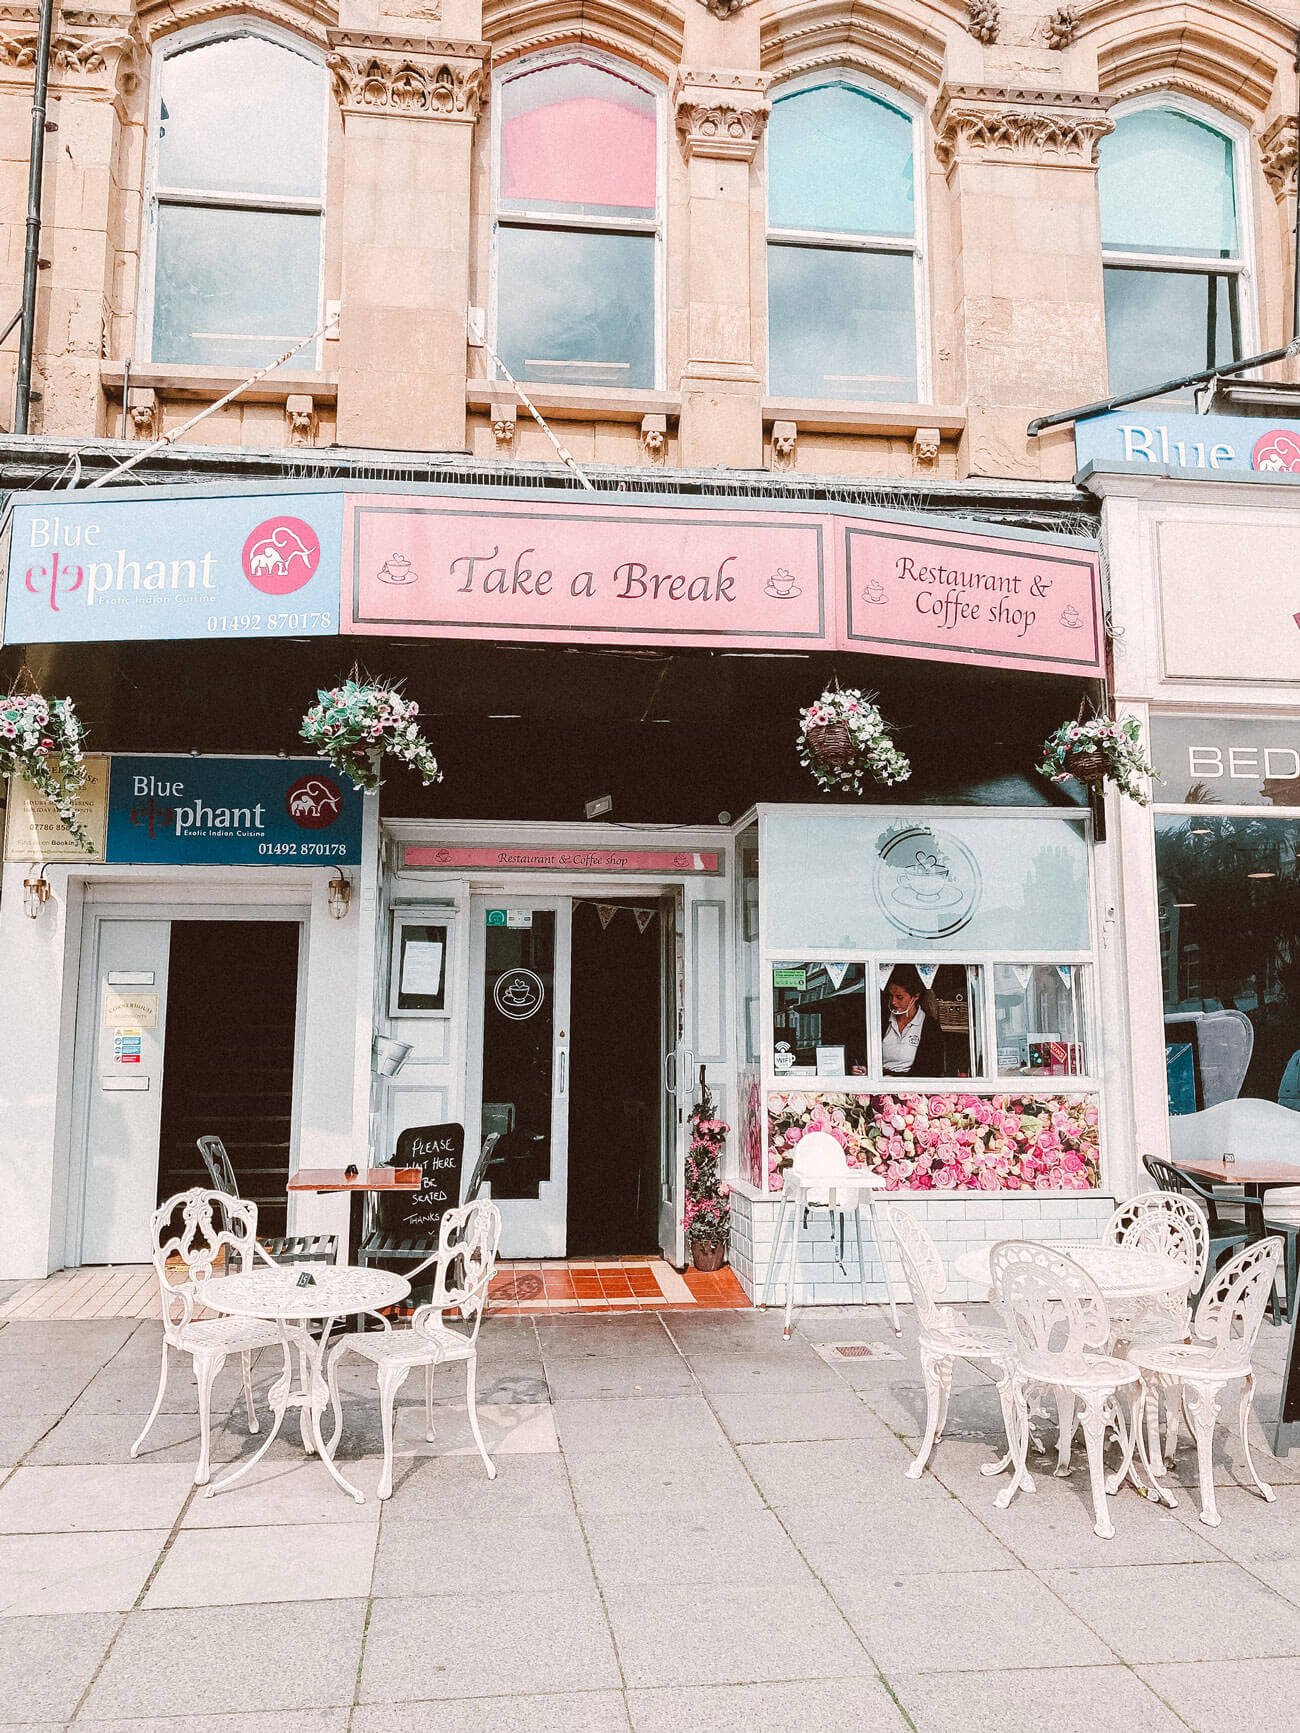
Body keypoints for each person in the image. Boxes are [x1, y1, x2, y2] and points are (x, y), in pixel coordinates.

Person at [880, 965, 946, 1077]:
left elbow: (932, 1069)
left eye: (899, 997)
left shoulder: (930, 1027)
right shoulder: (882, 1020)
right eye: (891, 996)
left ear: (915, 997)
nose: (893, 1002)